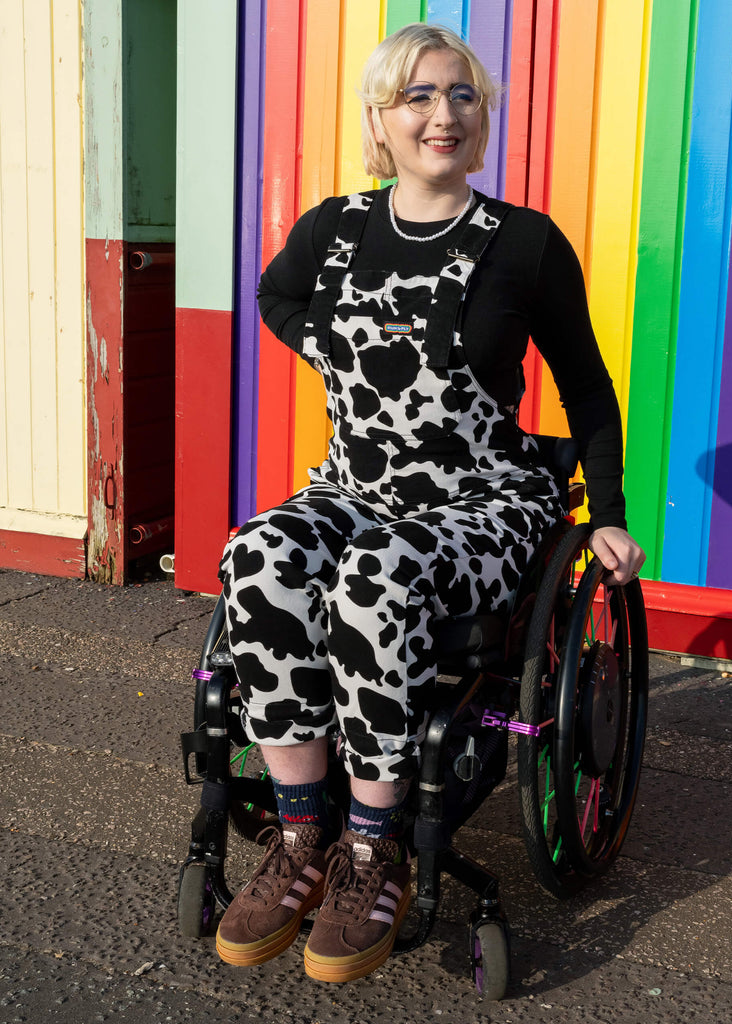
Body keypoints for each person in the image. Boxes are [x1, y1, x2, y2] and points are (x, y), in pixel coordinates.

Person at [214, 22, 645, 983]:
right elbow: (276, 294)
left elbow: (585, 387)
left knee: (376, 576)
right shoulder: (332, 227)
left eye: (460, 95)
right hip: (356, 489)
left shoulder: (524, 244)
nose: (441, 114)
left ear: (479, 116)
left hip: (481, 503)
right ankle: (299, 836)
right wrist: (329, 347)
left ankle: (374, 850)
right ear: (382, 117)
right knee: (259, 555)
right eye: (418, 96)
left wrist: (606, 508)